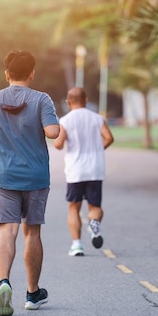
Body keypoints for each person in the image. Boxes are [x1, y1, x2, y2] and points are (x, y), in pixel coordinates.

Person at [0, 49, 59, 316]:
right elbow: (53, 132)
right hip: (35, 177)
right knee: (32, 232)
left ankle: (3, 282)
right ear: (32, 73)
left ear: (7, 74)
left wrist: (0, 129)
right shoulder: (42, 99)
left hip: (5, 177)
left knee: (7, 231)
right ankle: (33, 293)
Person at [53, 87, 114, 257]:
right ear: (85, 100)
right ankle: (94, 223)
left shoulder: (65, 120)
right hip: (95, 168)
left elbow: (58, 144)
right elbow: (109, 138)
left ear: (68, 102)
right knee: (95, 206)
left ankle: (77, 245)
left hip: (75, 170)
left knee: (74, 207)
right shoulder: (97, 118)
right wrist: (97, 150)